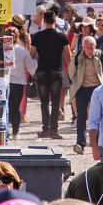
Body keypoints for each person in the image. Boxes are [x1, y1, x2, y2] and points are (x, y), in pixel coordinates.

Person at [32, 10, 71, 139]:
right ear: (55, 20)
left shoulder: (37, 36)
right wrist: (69, 71)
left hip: (42, 71)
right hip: (56, 71)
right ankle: (54, 130)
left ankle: (45, 129)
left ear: (44, 20)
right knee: (55, 101)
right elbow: (68, 55)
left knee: (43, 102)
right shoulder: (62, 36)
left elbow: (32, 54)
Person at [68, 33, 103, 153]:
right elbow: (71, 73)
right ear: (83, 47)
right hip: (82, 88)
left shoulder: (100, 55)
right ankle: (80, 143)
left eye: (92, 47)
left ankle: (100, 143)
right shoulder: (78, 57)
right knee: (81, 116)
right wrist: (76, 85)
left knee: (98, 116)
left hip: (97, 89)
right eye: (87, 48)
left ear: (95, 46)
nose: (90, 50)